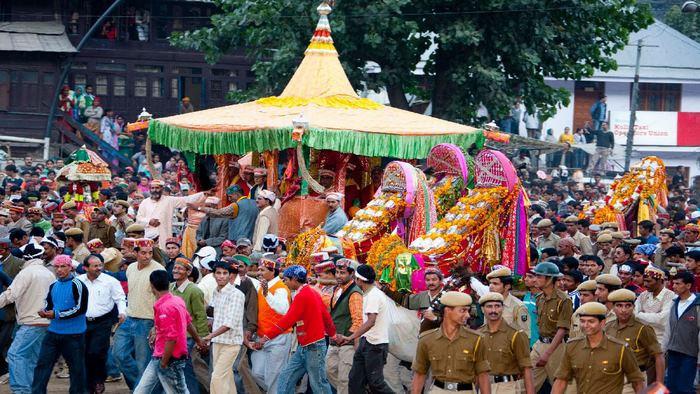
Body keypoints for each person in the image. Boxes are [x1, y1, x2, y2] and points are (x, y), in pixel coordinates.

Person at [259, 265, 337, 394]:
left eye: (286, 280)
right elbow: (326, 316)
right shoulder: (310, 292)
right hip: (307, 345)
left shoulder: (303, 295)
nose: (285, 283)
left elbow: (287, 320)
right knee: (286, 377)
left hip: (312, 346)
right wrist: (333, 334)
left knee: (318, 384)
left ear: (294, 279)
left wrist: (266, 337)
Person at [134, 270, 205, 394]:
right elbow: (188, 323)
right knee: (141, 391)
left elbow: (171, 338)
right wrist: (199, 340)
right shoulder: (177, 300)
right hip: (161, 356)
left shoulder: (165, 307)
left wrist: (164, 363)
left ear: (152, 286)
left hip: (169, 358)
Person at [552, 302, 645, 394]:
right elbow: (561, 381)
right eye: (582, 321)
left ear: (602, 323)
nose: (585, 325)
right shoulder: (572, 347)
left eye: (591, 321)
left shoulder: (620, 349)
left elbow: (637, 382)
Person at [411, 291, 491, 394]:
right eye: (463, 310)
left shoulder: (476, 339)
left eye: (468, 311)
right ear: (447, 310)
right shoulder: (427, 339)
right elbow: (419, 374)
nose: (467, 315)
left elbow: (483, 375)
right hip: (437, 391)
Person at [0, 243, 55, 393]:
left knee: (15, 354)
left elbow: (10, 295)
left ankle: (21, 390)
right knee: (32, 359)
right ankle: (33, 389)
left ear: (25, 257)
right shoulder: (48, 273)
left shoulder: (26, 273)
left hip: (31, 322)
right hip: (46, 322)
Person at [112, 238, 166, 390]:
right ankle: (142, 387)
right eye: (143, 253)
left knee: (143, 363)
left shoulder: (158, 270)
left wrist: (157, 325)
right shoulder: (131, 268)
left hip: (147, 321)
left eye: (150, 253)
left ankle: (142, 388)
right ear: (135, 253)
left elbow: (162, 299)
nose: (147, 256)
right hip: (129, 318)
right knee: (118, 355)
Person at [32, 254, 89, 394]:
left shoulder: (78, 285)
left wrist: (56, 314)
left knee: (77, 370)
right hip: (53, 333)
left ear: (70, 267)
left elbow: (80, 308)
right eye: (56, 267)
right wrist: (44, 310)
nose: (59, 270)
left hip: (74, 335)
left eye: (63, 266)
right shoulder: (54, 285)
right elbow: (49, 303)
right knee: (42, 366)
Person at [339, 264, 394, 394]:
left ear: (359, 280)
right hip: (366, 342)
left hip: (376, 345)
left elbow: (371, 322)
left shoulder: (374, 295)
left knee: (375, 383)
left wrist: (351, 337)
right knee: (355, 380)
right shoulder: (368, 294)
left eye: (356, 278)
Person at [78, 253, 127, 394]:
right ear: (85, 268)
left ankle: (99, 379)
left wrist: (122, 312)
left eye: (100, 265)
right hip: (83, 322)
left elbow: (120, 298)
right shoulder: (79, 281)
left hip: (103, 322)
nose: (99, 268)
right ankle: (89, 384)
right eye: (95, 266)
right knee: (85, 353)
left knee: (97, 352)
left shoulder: (110, 281)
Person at [201, 260, 245, 394]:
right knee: (226, 378)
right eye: (218, 273)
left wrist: (209, 336)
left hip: (231, 343)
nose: (221, 276)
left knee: (217, 378)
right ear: (213, 275)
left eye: (225, 273)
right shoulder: (216, 292)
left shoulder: (237, 295)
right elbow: (215, 317)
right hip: (218, 342)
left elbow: (229, 323)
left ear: (230, 275)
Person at [606, 289, 664, 390]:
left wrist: (659, 385)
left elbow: (658, 356)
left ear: (634, 307)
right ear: (613, 308)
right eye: (619, 305)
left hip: (634, 380)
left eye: (628, 305)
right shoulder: (608, 327)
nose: (623, 310)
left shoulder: (643, 328)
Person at [250, 256, 292, 394]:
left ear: (272, 271)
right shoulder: (262, 286)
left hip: (278, 338)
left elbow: (283, 309)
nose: (259, 272)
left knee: (273, 377)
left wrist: (267, 293)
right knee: (257, 373)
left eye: (262, 270)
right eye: (259, 269)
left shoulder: (281, 288)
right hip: (261, 337)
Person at [479, 292, 534, 394]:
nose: (494, 310)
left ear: (502, 308)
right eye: (489, 306)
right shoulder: (478, 335)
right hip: (483, 387)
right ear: (482, 309)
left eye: (497, 306)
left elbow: (526, 369)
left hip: (508, 387)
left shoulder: (516, 334)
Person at [530, 261, 573, 392]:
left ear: (549, 280)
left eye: (539, 277)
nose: (535, 280)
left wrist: (548, 353)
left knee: (559, 385)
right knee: (528, 382)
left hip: (556, 347)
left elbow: (562, 330)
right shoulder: (539, 298)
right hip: (540, 343)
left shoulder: (564, 300)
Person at [169, 257, 208, 394]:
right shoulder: (170, 287)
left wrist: (203, 339)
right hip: (172, 336)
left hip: (189, 337)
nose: (176, 270)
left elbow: (200, 316)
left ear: (188, 272)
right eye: (175, 267)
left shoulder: (194, 290)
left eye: (180, 268)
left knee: (187, 371)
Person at [326, 258, 363, 394]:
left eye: (342, 273)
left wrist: (348, 337)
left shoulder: (354, 293)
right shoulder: (337, 289)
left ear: (351, 274)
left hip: (347, 342)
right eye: (336, 272)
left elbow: (358, 320)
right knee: (329, 370)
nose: (338, 276)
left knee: (344, 379)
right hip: (335, 340)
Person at [135, 179, 206, 250]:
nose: (154, 190)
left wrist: (204, 194)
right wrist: (149, 221)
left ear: (162, 189)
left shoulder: (169, 200)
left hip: (164, 237)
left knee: (164, 256)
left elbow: (187, 200)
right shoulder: (145, 202)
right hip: (148, 237)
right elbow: (138, 219)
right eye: (152, 188)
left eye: (157, 188)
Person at [662, 270, 700, 394]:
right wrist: (663, 350)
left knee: (685, 388)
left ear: (688, 286)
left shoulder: (697, 305)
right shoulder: (674, 303)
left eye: (678, 284)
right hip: (673, 352)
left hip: (690, 354)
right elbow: (669, 328)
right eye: (673, 283)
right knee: (671, 386)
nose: (674, 287)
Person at [380, 266, 444, 333]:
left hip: (442, 338)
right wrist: (383, 288)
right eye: (428, 280)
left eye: (434, 280)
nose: (431, 282)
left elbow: (454, 320)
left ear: (440, 281)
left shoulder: (447, 297)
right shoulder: (422, 296)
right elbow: (403, 299)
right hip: (424, 337)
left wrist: (435, 318)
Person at [634, 266, 675, 344]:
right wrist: (654, 316)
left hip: (660, 340)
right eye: (645, 281)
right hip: (641, 337)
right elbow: (633, 314)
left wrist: (639, 315)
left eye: (649, 281)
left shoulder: (671, 296)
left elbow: (662, 319)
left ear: (661, 281)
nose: (645, 284)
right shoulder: (643, 295)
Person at [486, 267, 530, 338]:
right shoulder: (488, 304)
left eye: (495, 284)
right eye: (490, 283)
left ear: (507, 286)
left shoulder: (518, 307)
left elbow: (524, 336)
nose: (491, 286)